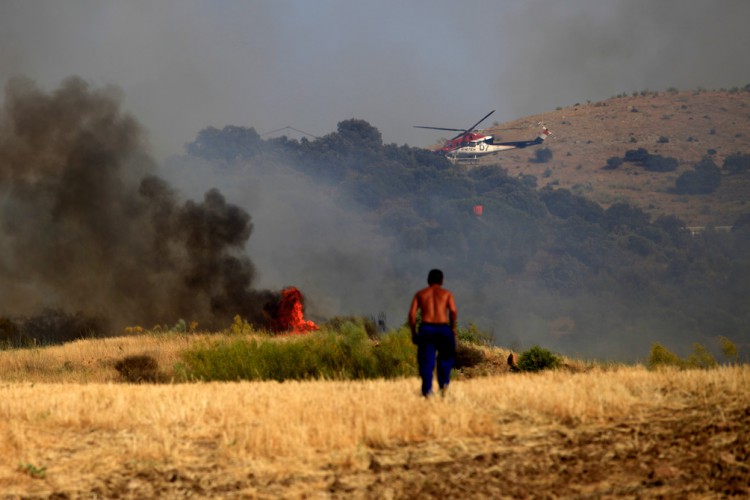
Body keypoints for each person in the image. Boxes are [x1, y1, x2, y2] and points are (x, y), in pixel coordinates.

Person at [408, 269, 457, 397]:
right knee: (446, 358)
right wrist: (452, 328)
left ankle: (427, 391)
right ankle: (444, 386)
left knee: (426, 360)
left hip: (427, 328)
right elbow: (453, 311)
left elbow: (412, 315)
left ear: (428, 280)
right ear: (441, 280)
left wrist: (413, 333)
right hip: (443, 328)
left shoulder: (420, 294)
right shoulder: (447, 294)